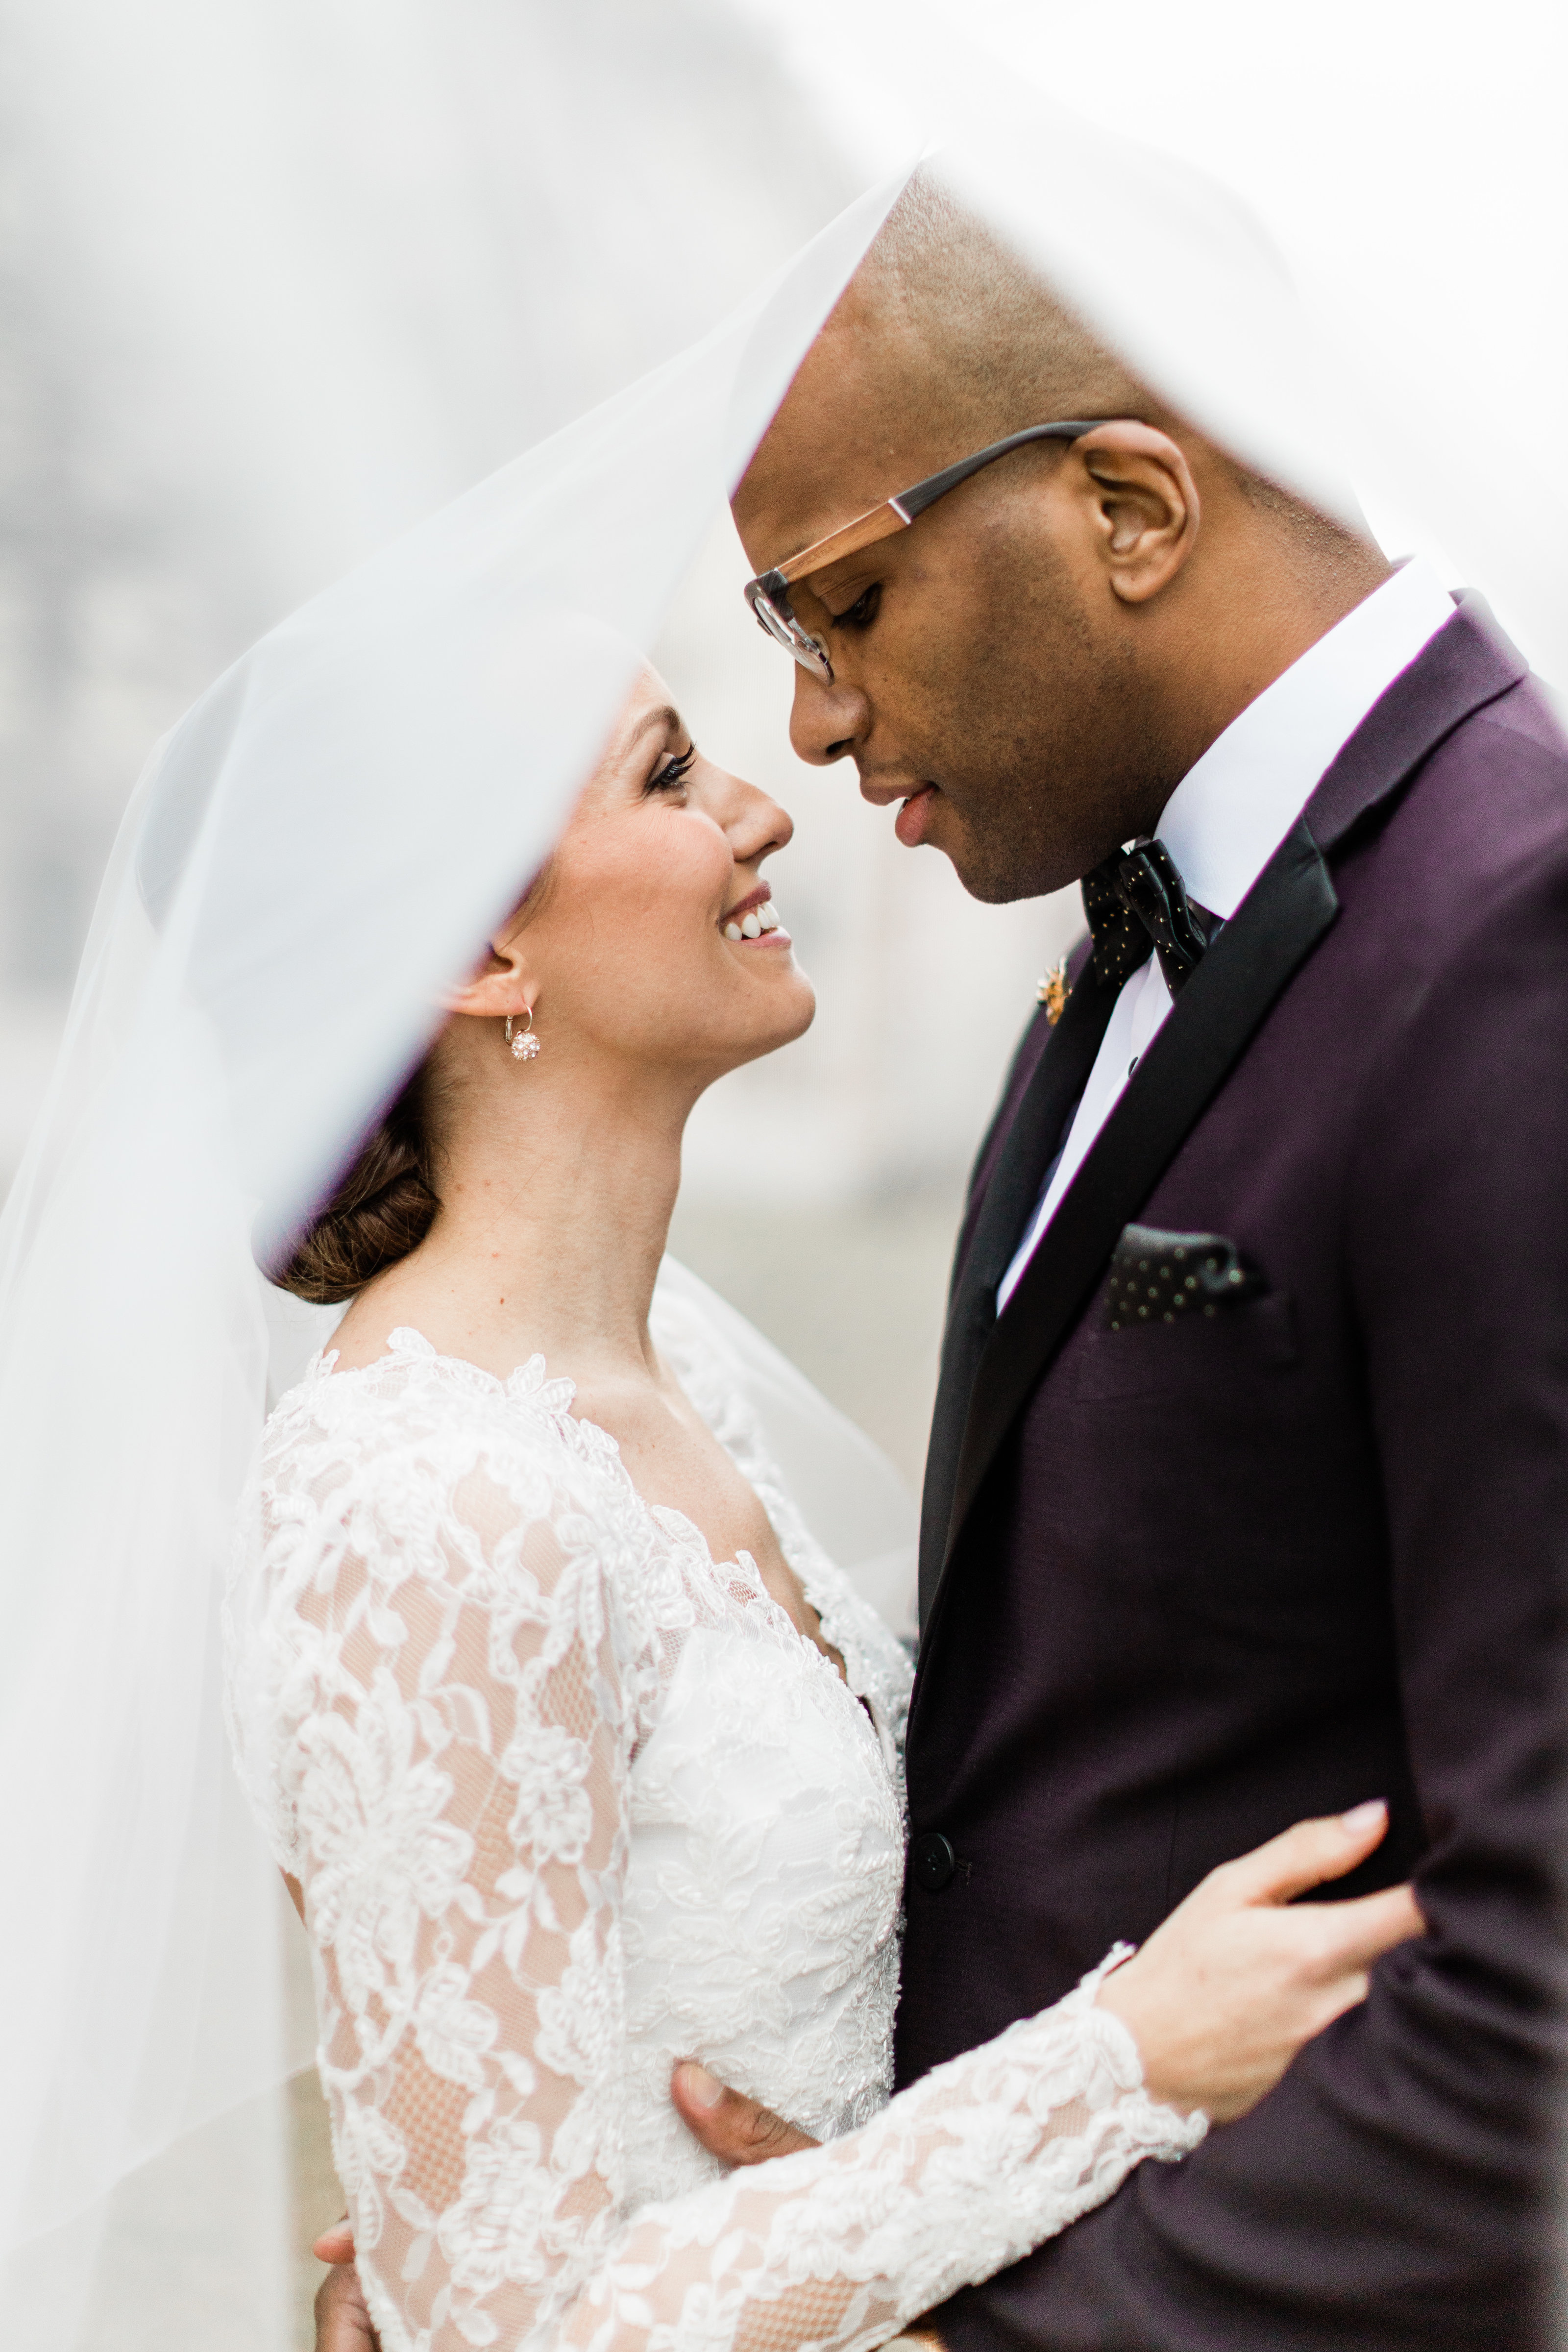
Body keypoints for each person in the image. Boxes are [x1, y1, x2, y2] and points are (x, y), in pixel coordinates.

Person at [253, 662, 1424, 2352]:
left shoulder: (679, 1385)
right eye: (668, 779)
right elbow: (495, 2329)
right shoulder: (425, 1502)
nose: (763, 806)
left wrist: (857, 2233)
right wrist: (1122, 2064)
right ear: (481, 956)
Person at [662, 174, 1567, 2345]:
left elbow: (1537, 1991)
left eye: (838, 604)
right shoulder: (1119, 942)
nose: (803, 721)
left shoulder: (1513, 937)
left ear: (1129, 506)